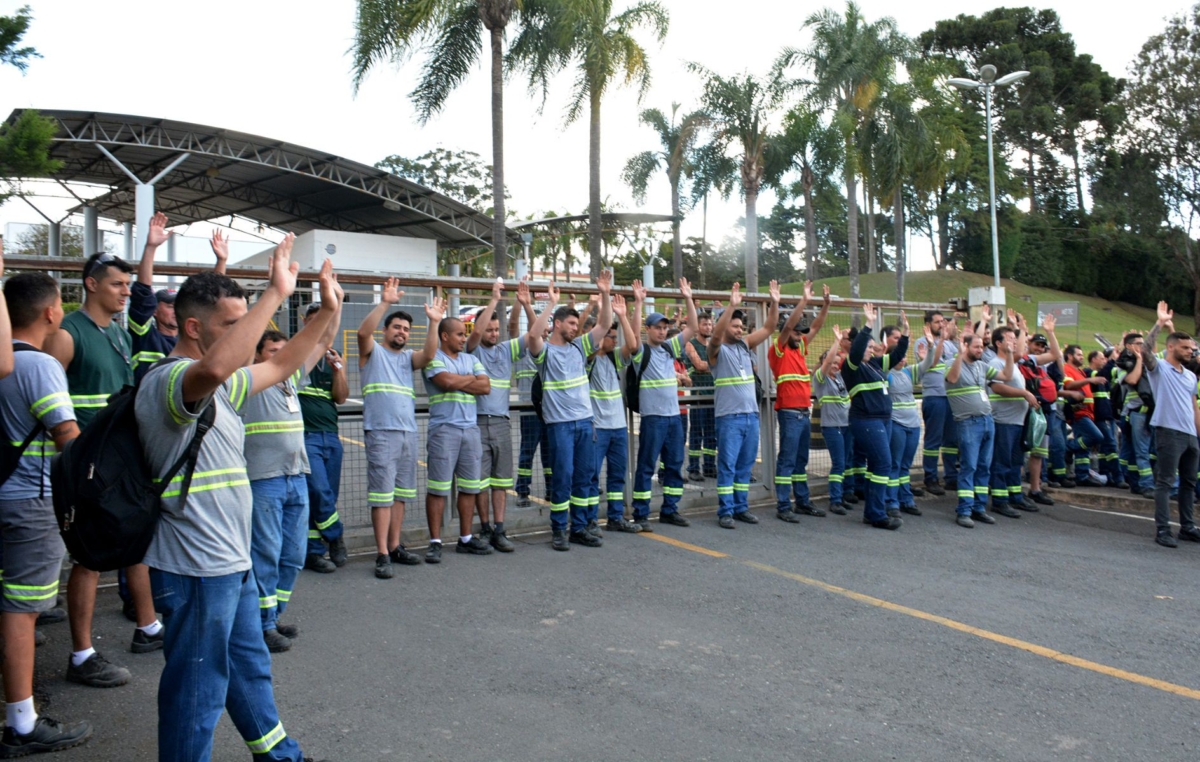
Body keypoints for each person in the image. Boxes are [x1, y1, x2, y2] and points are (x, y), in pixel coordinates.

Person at [134, 236, 339, 762]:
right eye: (233, 325)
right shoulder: (172, 381)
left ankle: (278, 754)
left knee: (247, 664)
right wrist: (272, 295)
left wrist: (326, 314)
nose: (247, 335)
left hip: (231, 559)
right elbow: (215, 369)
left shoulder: (224, 389)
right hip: (195, 565)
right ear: (194, 328)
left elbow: (283, 364)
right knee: (197, 689)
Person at [44, 250, 155, 687]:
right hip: (84, 468)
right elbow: (48, 404)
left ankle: (148, 627)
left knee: (134, 540)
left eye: (128, 285)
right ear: (91, 285)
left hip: (117, 464)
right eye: (117, 284)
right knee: (88, 559)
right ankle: (81, 653)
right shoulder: (67, 334)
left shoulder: (120, 335)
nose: (126, 292)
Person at [0, 272, 92, 757]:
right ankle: (21, 721)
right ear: (51, 313)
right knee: (21, 610)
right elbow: (66, 436)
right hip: (30, 503)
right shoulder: (38, 365)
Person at [243, 313, 339, 654]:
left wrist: (333, 304)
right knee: (265, 554)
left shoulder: (290, 381)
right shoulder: (249, 380)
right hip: (264, 480)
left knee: (293, 555)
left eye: (285, 350)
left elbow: (324, 340)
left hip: (296, 478)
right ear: (256, 356)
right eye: (273, 351)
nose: (281, 356)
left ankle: (272, 614)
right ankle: (262, 624)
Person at [357, 278, 442, 578]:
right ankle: (381, 553)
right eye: (397, 327)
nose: (402, 332)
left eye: (406, 329)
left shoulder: (408, 358)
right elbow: (362, 332)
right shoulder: (372, 352)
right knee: (382, 495)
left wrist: (434, 323)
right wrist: (386, 303)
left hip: (408, 433)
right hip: (381, 432)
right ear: (386, 330)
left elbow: (429, 355)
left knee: (400, 494)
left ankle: (395, 545)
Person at [526, 271, 612, 550]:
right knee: (562, 478)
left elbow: (605, 324)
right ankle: (559, 530)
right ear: (558, 323)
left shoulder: (579, 346)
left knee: (585, 477)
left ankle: (580, 526)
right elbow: (533, 335)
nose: (576, 328)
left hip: (585, 423)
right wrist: (551, 303)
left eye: (578, 323)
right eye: (572, 323)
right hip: (560, 425)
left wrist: (606, 294)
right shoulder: (546, 353)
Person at [627, 278, 698, 531]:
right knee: (647, 466)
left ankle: (670, 510)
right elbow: (632, 335)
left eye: (664, 327)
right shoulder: (640, 352)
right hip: (653, 418)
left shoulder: (670, 348)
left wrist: (688, 297)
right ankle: (641, 514)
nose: (662, 331)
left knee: (674, 465)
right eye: (657, 327)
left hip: (673, 418)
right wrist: (637, 302)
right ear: (648, 329)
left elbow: (692, 328)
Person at [708, 281, 780, 529]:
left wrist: (775, 302)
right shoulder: (716, 350)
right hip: (729, 417)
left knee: (745, 466)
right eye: (734, 326)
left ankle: (740, 507)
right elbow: (716, 335)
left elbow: (770, 327)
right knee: (727, 466)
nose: (739, 330)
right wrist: (731, 306)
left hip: (750, 416)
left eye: (741, 326)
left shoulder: (745, 344)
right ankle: (725, 511)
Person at [465, 278, 527, 553]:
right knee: (479, 481)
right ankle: (486, 527)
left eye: (495, 329)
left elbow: (532, 335)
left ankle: (500, 530)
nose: (492, 332)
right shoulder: (473, 350)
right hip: (477, 422)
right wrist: (493, 300)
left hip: (501, 422)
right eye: (489, 328)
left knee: (501, 481)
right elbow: (475, 334)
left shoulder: (506, 350)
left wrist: (524, 303)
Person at [423, 312, 491, 562]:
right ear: (444, 336)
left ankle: (465, 538)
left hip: (470, 430)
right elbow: (446, 382)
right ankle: (435, 542)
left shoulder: (470, 359)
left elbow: (485, 387)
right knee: (439, 488)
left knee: (470, 487)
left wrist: (459, 381)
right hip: (444, 430)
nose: (465, 338)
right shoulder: (433, 358)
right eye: (460, 334)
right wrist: (469, 380)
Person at [1136, 301, 1200, 548]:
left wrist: (1197, 434)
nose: (1190, 351)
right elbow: (1146, 352)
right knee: (1164, 482)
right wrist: (1160, 323)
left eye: (1192, 348)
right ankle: (1163, 529)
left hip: (1189, 434)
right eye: (1185, 347)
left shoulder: (1191, 375)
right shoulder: (1160, 368)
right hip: (1168, 431)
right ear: (1171, 347)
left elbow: (1193, 406)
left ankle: (1187, 527)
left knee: (1189, 483)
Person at [768, 281, 831, 522]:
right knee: (787, 459)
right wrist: (803, 301)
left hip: (803, 413)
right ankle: (783, 505)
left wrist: (824, 306)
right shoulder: (779, 348)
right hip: (790, 413)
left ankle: (802, 501)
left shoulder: (801, 347)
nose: (799, 334)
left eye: (799, 332)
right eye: (795, 331)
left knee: (800, 460)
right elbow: (790, 326)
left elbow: (815, 326)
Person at [842, 304, 908, 530]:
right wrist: (868, 325)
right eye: (868, 347)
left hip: (883, 419)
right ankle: (878, 514)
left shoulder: (875, 365)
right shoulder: (852, 366)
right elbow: (857, 348)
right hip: (867, 421)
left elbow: (897, 355)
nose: (872, 350)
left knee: (876, 466)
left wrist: (906, 334)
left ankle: (872, 511)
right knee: (883, 464)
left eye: (872, 347)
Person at [297, 302, 349, 573]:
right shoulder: (295, 353)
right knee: (318, 492)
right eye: (315, 320)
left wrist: (338, 369)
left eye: (325, 321)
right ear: (304, 322)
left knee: (325, 495)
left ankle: (315, 553)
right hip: (306, 436)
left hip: (331, 435)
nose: (321, 326)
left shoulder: (334, 355)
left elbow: (340, 397)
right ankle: (335, 534)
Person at [586, 293, 641, 533]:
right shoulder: (587, 359)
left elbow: (634, 344)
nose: (615, 341)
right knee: (591, 476)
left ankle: (615, 517)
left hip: (618, 427)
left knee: (618, 476)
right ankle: (588, 519)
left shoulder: (615, 359)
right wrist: (603, 312)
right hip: (597, 428)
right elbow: (592, 339)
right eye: (611, 336)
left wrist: (626, 314)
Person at [944, 329, 1004, 528]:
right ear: (966, 346)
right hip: (968, 422)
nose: (981, 349)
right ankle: (964, 511)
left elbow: (1007, 375)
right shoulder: (953, 364)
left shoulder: (982, 366)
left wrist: (1010, 354)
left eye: (982, 346)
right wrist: (960, 355)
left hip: (987, 421)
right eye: (977, 346)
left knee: (983, 467)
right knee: (969, 466)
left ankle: (979, 508)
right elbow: (952, 379)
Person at [986, 322, 1040, 518]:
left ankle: (1015, 495)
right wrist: (1024, 393)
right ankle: (1000, 500)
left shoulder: (1013, 364)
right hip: (1004, 421)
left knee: (1016, 461)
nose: (1014, 342)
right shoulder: (995, 364)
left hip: (1017, 420)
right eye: (1010, 339)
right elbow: (997, 387)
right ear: (999, 343)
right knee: (1002, 461)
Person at [1021, 321, 1064, 506]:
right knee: (1021, 451)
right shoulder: (1022, 359)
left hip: (1044, 411)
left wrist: (1050, 332)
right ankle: (1014, 489)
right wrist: (1022, 331)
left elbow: (1056, 356)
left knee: (1038, 452)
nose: (1039, 349)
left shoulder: (1039, 363)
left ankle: (1035, 489)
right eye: (1036, 345)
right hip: (1025, 410)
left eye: (1042, 346)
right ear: (1029, 345)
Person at [915, 310, 959, 496]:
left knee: (951, 440)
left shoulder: (951, 344)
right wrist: (940, 341)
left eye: (943, 321)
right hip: (935, 396)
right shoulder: (922, 342)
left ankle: (951, 477)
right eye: (938, 322)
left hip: (951, 397)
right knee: (933, 439)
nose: (942, 324)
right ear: (928, 324)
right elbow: (931, 363)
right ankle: (930, 478)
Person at [887, 326, 926, 519]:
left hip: (913, 425)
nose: (903, 359)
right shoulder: (888, 374)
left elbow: (929, 364)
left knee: (905, 465)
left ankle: (906, 499)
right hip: (897, 424)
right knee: (895, 464)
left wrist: (935, 345)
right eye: (899, 356)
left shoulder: (909, 373)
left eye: (904, 356)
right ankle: (892, 502)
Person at [1062, 344, 1109, 487]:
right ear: (1070, 356)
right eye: (1079, 355)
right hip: (1078, 412)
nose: (1082, 357)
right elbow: (1069, 386)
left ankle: (1082, 475)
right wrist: (1089, 380)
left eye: (1082, 355)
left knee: (1084, 446)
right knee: (1096, 436)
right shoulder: (1066, 369)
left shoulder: (1080, 371)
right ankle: (1069, 447)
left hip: (1087, 412)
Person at [814, 338, 851, 515]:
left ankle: (842, 495)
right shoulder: (821, 379)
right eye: (832, 363)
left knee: (845, 463)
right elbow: (828, 361)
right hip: (832, 426)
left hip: (845, 425)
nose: (835, 366)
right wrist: (836, 341)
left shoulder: (840, 378)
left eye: (838, 363)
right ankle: (835, 500)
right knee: (839, 463)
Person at [1117, 332, 1156, 496]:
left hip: (1149, 413)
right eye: (1138, 343)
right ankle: (1147, 485)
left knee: (1135, 451)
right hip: (1137, 413)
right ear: (1129, 346)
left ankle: (1134, 482)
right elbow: (1132, 380)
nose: (1142, 346)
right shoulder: (1122, 364)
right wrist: (1139, 359)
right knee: (1142, 451)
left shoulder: (1149, 362)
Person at [684, 310, 718, 481]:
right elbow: (698, 364)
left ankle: (710, 466)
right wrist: (714, 364)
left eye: (710, 324)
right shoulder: (690, 344)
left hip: (714, 396)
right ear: (697, 326)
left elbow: (708, 364)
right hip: (698, 395)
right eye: (705, 324)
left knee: (712, 433)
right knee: (697, 433)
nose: (708, 327)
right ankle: (694, 467)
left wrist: (709, 364)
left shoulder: (713, 345)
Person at [1088, 348, 1124, 488]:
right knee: (1111, 445)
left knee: (1105, 449)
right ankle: (1118, 477)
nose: (1104, 360)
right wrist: (1113, 358)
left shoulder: (1102, 378)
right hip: (1100, 417)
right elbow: (1104, 372)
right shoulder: (1090, 373)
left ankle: (1106, 474)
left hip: (1108, 416)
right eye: (1102, 358)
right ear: (1093, 359)